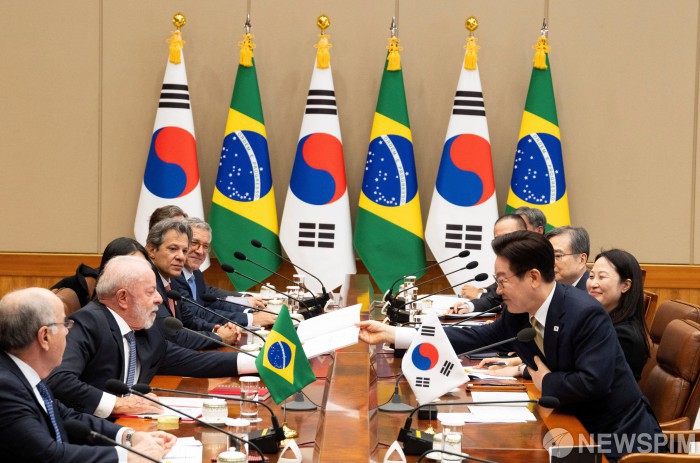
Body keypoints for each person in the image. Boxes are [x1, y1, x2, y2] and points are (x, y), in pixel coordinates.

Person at [358, 231, 663, 462]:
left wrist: (546, 381)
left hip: (618, 439)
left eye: (503, 281)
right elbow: (474, 337)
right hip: (568, 426)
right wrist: (394, 334)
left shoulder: (584, 313)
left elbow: (594, 383)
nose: (498, 290)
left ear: (533, 278)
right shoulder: (519, 313)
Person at [46, 256, 258, 418]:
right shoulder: (88, 323)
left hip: (135, 426)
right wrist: (118, 403)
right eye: (150, 292)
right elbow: (58, 379)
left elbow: (196, 361)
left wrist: (261, 362)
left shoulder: (145, 330)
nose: (159, 299)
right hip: (89, 436)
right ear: (122, 298)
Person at [0, 287, 175, 462]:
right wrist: (129, 457)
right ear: (45, 336)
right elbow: (48, 455)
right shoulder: (6, 388)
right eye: (65, 324)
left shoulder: (25, 374)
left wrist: (129, 437)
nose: (68, 332)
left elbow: (66, 417)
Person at [146, 219, 241, 350]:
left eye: (185, 251)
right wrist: (219, 337)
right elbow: (174, 335)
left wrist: (216, 329)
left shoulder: (171, 280)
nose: (181, 257)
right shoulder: (148, 285)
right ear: (151, 249)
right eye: (173, 249)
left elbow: (188, 319)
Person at [171, 218, 274, 328]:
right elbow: (197, 313)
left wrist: (248, 311)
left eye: (205, 246)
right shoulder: (174, 276)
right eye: (194, 243)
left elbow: (211, 303)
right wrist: (251, 319)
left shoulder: (196, 273)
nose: (200, 251)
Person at [587, 249, 650, 381]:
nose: (593, 284)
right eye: (591, 276)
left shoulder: (624, 336)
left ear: (625, 285)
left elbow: (593, 381)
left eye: (602, 277)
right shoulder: (600, 321)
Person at [448, 214, 527, 314]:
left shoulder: (534, 262)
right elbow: (495, 299)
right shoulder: (505, 263)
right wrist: (468, 306)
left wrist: (478, 294)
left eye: (507, 237)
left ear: (524, 236)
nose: (501, 243)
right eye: (497, 239)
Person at [546, 226, 590, 290]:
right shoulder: (549, 289)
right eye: (548, 255)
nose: (550, 262)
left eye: (558, 256)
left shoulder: (592, 292)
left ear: (581, 260)